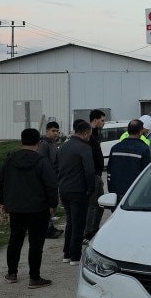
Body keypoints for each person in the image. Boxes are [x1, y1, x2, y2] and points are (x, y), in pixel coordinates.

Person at [0, 128, 58, 288]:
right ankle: (34, 278)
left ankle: (12, 273)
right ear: (38, 142)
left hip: (15, 208)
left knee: (15, 240)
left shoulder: (10, 160)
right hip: (38, 209)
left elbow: (0, 182)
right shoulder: (42, 161)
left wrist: (4, 202)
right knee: (36, 243)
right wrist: (53, 204)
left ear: (21, 141)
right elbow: (51, 185)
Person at [56, 119, 97, 265]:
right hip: (78, 190)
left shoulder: (63, 146)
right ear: (85, 133)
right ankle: (75, 256)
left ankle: (67, 254)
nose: (90, 137)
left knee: (70, 222)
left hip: (64, 189)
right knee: (78, 223)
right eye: (89, 134)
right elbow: (89, 171)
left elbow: (56, 167)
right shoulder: (84, 148)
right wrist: (90, 189)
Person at [107, 119, 151, 199]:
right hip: (135, 194)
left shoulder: (115, 148)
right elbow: (146, 174)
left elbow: (109, 171)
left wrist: (111, 189)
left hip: (116, 193)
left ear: (128, 130)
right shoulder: (144, 149)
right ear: (141, 131)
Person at [84, 109, 107, 241]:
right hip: (92, 175)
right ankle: (87, 233)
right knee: (92, 205)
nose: (104, 123)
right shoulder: (89, 135)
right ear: (95, 120)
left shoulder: (96, 133)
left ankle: (94, 229)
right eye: (102, 120)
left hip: (97, 175)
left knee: (100, 204)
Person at [38, 121, 63, 238]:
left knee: (53, 205)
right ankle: (46, 229)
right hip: (47, 180)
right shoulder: (44, 144)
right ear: (47, 131)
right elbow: (43, 163)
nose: (56, 133)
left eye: (57, 131)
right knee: (48, 205)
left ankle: (50, 226)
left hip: (54, 178)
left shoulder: (53, 144)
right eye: (53, 131)